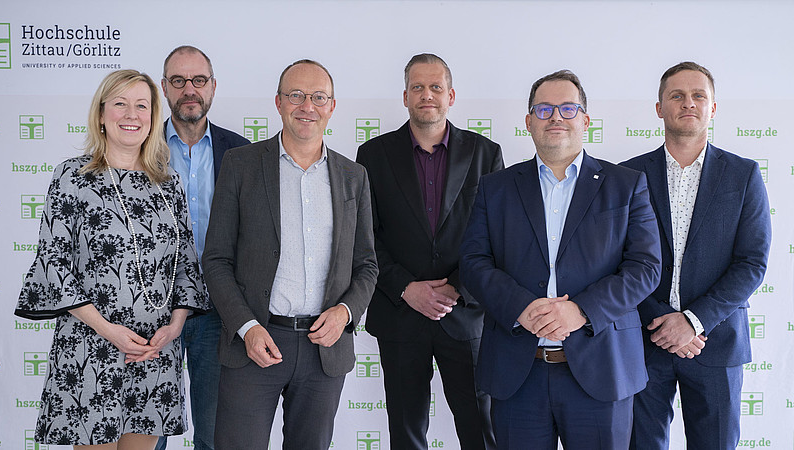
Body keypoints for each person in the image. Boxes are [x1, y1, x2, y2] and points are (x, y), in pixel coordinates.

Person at [459, 70, 662, 449]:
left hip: (602, 370)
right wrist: (519, 307)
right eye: (544, 109)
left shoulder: (626, 185)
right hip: (518, 373)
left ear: (585, 119)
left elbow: (645, 268)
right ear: (528, 122)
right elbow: (473, 261)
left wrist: (581, 310)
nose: (556, 117)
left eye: (568, 108)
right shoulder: (495, 187)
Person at [14, 69, 208, 449]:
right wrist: (109, 330)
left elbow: (186, 264)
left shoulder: (168, 184)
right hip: (92, 346)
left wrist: (174, 327)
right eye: (120, 103)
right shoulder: (72, 177)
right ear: (101, 113)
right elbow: (53, 264)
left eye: (141, 105)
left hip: (155, 350)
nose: (131, 114)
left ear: (153, 116)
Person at [201, 59, 378, 449]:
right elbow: (215, 260)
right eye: (296, 95)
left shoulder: (354, 177)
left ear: (332, 106)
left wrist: (345, 312)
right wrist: (247, 327)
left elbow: (366, 265)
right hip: (255, 344)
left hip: (323, 352)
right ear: (278, 102)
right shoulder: (241, 165)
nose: (307, 106)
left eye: (318, 97)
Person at [356, 53, 502, 450]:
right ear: (405, 96)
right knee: (406, 433)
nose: (427, 95)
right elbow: (366, 239)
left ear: (450, 95)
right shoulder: (373, 156)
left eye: (436, 87)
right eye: (417, 87)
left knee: (483, 431)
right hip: (400, 315)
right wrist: (407, 288)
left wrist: (455, 287)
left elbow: (494, 237)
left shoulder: (485, 154)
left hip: (467, 317)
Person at [622, 62, 771, 450]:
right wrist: (660, 320)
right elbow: (617, 262)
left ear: (713, 108)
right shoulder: (628, 176)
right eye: (677, 95)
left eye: (698, 95)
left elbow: (752, 263)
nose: (688, 103)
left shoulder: (743, 175)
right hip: (642, 339)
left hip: (716, 342)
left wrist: (693, 320)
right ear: (659, 108)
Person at [155, 45, 250, 450]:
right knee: (148, 435)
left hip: (218, 312)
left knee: (214, 437)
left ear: (213, 87)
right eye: (178, 81)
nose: (188, 89)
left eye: (198, 80)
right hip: (152, 312)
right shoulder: (139, 149)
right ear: (164, 87)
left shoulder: (242, 152)